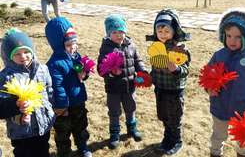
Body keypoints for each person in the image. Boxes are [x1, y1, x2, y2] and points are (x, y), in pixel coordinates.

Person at [206, 8, 245, 157]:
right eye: (228, 36)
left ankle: (242, 153)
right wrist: (209, 88)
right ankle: (215, 153)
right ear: (223, 35)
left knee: (242, 139)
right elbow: (208, 75)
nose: (232, 41)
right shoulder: (219, 55)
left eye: (238, 37)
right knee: (218, 135)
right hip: (220, 108)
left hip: (242, 112)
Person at [0, 28, 55, 157]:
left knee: (43, 150)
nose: (23, 56)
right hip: (21, 132)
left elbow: (49, 91)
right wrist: (18, 109)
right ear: (9, 56)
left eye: (26, 51)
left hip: (43, 126)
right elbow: (2, 104)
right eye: (17, 54)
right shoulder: (6, 77)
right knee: (24, 153)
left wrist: (51, 108)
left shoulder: (42, 69)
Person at [145, 9, 191, 155]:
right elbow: (155, 68)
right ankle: (167, 138)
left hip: (174, 90)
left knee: (174, 118)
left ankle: (176, 141)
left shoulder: (180, 49)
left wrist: (176, 69)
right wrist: (149, 77)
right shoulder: (155, 48)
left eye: (166, 31)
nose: (163, 34)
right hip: (160, 89)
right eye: (159, 31)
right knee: (164, 116)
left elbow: (185, 71)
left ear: (174, 31)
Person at [45, 17, 92, 157]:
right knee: (63, 131)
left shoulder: (76, 57)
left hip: (78, 100)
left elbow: (81, 75)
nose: (73, 47)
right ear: (59, 44)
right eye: (69, 44)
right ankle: (64, 151)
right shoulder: (54, 64)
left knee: (81, 125)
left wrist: (85, 73)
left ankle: (82, 146)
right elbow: (57, 86)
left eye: (75, 43)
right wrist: (61, 106)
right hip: (63, 107)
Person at [97, 14, 145, 149]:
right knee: (114, 112)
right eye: (114, 32)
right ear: (108, 33)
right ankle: (114, 133)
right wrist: (111, 72)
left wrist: (142, 71)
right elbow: (101, 69)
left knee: (131, 108)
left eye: (121, 31)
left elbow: (138, 61)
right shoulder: (106, 48)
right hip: (113, 89)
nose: (119, 35)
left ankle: (132, 128)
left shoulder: (131, 45)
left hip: (130, 86)